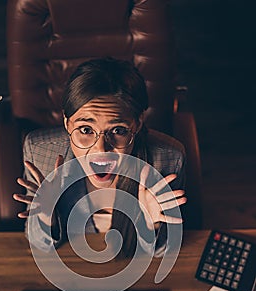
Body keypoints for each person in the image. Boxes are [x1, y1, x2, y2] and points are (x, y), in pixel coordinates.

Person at [13, 57, 186, 258]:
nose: (101, 149)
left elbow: (163, 252)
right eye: (86, 129)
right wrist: (45, 217)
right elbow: (39, 244)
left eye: (118, 130)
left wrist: (152, 224)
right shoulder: (41, 152)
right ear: (68, 124)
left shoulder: (167, 159)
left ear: (138, 124)